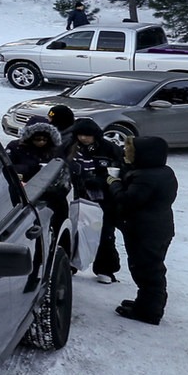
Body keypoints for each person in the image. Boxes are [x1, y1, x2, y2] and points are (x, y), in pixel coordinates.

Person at [109, 135, 177, 325]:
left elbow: (127, 200)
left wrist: (113, 183)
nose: (125, 152)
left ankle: (149, 312)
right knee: (149, 269)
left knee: (148, 271)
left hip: (146, 231)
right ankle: (145, 303)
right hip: (158, 228)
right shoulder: (162, 171)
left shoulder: (146, 177)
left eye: (130, 150)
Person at [66, 118, 125, 281]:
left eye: (88, 135)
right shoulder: (68, 146)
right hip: (75, 195)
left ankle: (106, 269)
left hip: (102, 197)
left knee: (104, 232)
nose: (84, 138)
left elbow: (118, 171)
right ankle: (70, 263)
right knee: (74, 231)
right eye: (80, 135)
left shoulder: (109, 149)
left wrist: (100, 180)